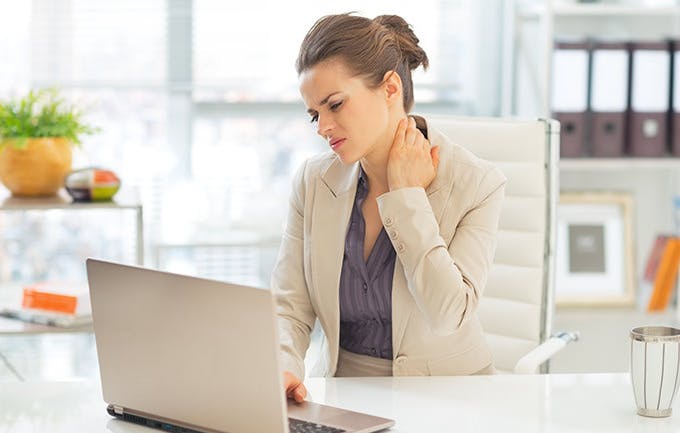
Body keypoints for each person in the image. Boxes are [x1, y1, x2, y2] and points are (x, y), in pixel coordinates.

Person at [271, 13, 507, 403]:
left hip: (453, 401)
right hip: (344, 397)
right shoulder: (313, 183)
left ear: (390, 88)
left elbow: (448, 314)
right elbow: (290, 307)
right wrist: (284, 367)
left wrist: (406, 198)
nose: (322, 127)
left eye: (335, 105)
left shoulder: (477, 183)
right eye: (315, 114)